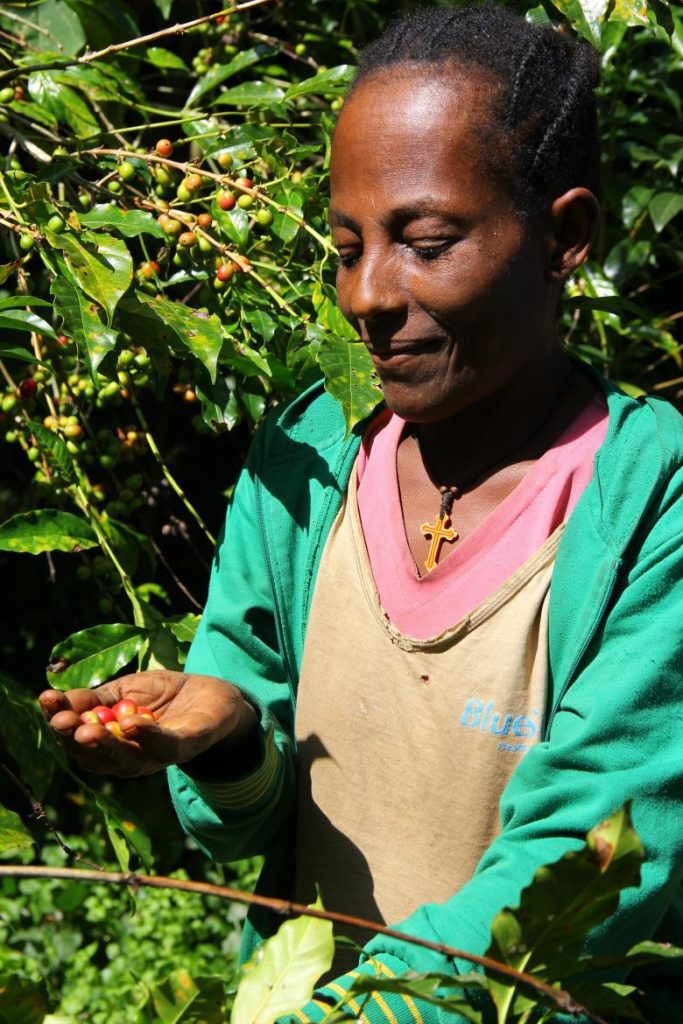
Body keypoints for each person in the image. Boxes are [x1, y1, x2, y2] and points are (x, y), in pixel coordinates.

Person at [40, 7, 683, 1022]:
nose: (367, 295)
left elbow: (586, 871)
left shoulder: (653, 500)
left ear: (563, 235)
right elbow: (244, 832)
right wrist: (223, 742)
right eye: (345, 247)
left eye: (424, 242)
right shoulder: (307, 456)